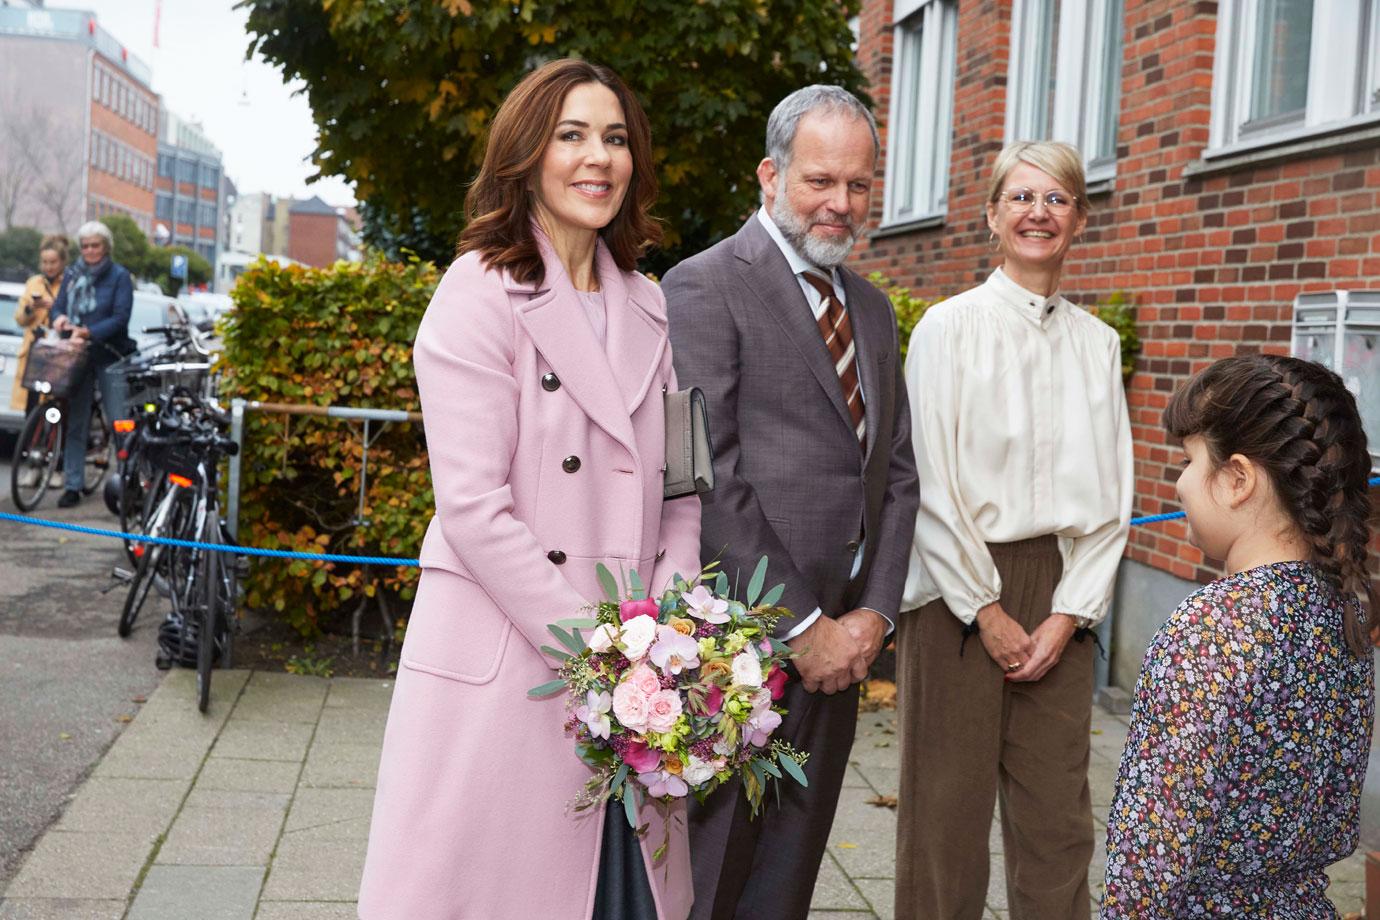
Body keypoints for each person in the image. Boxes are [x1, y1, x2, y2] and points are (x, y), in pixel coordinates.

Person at [357, 59, 701, 920]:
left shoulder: (652, 310)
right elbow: (473, 509)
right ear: (527, 155)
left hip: (636, 681)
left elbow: (684, 491)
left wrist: (669, 631)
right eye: (572, 135)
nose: (599, 158)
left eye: (616, 138)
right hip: (515, 666)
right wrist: (599, 655)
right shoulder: (478, 291)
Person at [663, 85, 919, 920]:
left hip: (844, 651)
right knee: (710, 877)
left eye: (857, 185)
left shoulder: (874, 312)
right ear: (770, 176)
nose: (839, 204)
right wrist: (803, 627)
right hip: (742, 644)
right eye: (819, 180)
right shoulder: (699, 287)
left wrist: (872, 617)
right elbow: (697, 470)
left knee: (788, 882)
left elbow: (899, 474)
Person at [895, 140, 1132, 920]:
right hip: (957, 591)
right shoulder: (947, 329)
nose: (1040, 213)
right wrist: (984, 609)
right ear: (993, 215)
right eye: (1022, 198)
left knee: (1058, 823)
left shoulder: (1098, 347)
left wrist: (1070, 613)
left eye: (1058, 199)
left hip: (1062, 595)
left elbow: (1111, 501)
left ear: (1079, 219)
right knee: (945, 819)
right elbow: (928, 482)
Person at [1102, 354, 1375, 918]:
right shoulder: (1344, 609)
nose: (1177, 483)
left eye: (1187, 461)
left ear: (1237, 479)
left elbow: (1149, 857)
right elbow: (1337, 813)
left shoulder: (1210, 630)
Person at [48, 220, 134, 508]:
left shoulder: (120, 276)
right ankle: (73, 484)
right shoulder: (72, 273)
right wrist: (58, 318)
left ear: (106, 247)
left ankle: (126, 483)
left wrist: (90, 331)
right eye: (85, 246)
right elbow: (58, 305)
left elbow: (121, 317)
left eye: (95, 245)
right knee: (76, 422)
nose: (90, 251)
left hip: (109, 354)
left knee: (120, 421)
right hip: (77, 355)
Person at [12, 234, 68, 415]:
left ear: (62, 261)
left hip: (58, 354)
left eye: (53, 262)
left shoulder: (69, 283)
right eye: (44, 262)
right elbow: (20, 319)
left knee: (55, 406)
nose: (48, 267)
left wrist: (56, 308)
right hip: (33, 353)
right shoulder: (34, 283)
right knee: (31, 406)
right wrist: (30, 308)